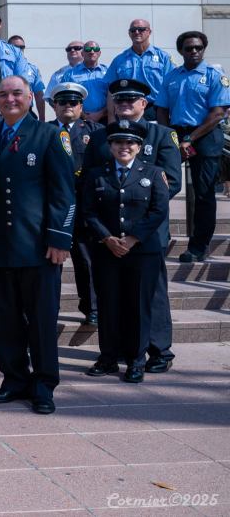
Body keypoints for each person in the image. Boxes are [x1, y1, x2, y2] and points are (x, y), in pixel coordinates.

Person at [0, 76, 75, 415]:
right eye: (3, 94)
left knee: (42, 321)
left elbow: (64, 193)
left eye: (16, 93)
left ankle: (44, 385)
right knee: (5, 320)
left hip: (38, 247)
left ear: (31, 97)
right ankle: (14, 379)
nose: (9, 99)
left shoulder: (50, 135)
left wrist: (59, 238)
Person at [83, 78, 181, 374]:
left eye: (131, 100)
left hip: (147, 234)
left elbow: (171, 182)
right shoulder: (100, 137)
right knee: (112, 296)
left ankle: (159, 350)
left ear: (144, 104)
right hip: (109, 232)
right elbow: (90, 181)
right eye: (120, 100)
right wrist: (108, 233)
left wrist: (137, 230)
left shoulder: (162, 134)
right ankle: (118, 352)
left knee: (152, 296)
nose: (124, 105)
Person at [156, 31, 230, 263]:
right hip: (176, 133)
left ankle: (198, 247)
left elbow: (218, 113)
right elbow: (161, 109)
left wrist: (190, 139)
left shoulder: (215, 75)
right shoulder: (171, 77)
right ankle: (160, 237)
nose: (194, 51)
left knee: (204, 193)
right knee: (161, 185)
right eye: (189, 48)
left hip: (205, 134)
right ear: (181, 51)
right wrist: (169, 137)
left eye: (199, 47)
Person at [48, 82, 103, 324]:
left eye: (73, 102)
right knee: (50, 260)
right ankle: (49, 308)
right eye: (63, 102)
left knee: (86, 260)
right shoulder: (45, 131)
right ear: (54, 106)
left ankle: (92, 308)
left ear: (81, 106)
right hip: (54, 207)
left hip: (84, 206)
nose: (68, 106)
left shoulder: (96, 131)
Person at [104, 19, 174, 120]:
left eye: (141, 29)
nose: (136, 32)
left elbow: (170, 86)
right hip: (127, 108)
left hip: (155, 110)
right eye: (133, 30)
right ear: (129, 33)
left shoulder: (163, 57)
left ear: (149, 32)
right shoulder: (119, 60)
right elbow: (111, 90)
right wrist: (111, 117)